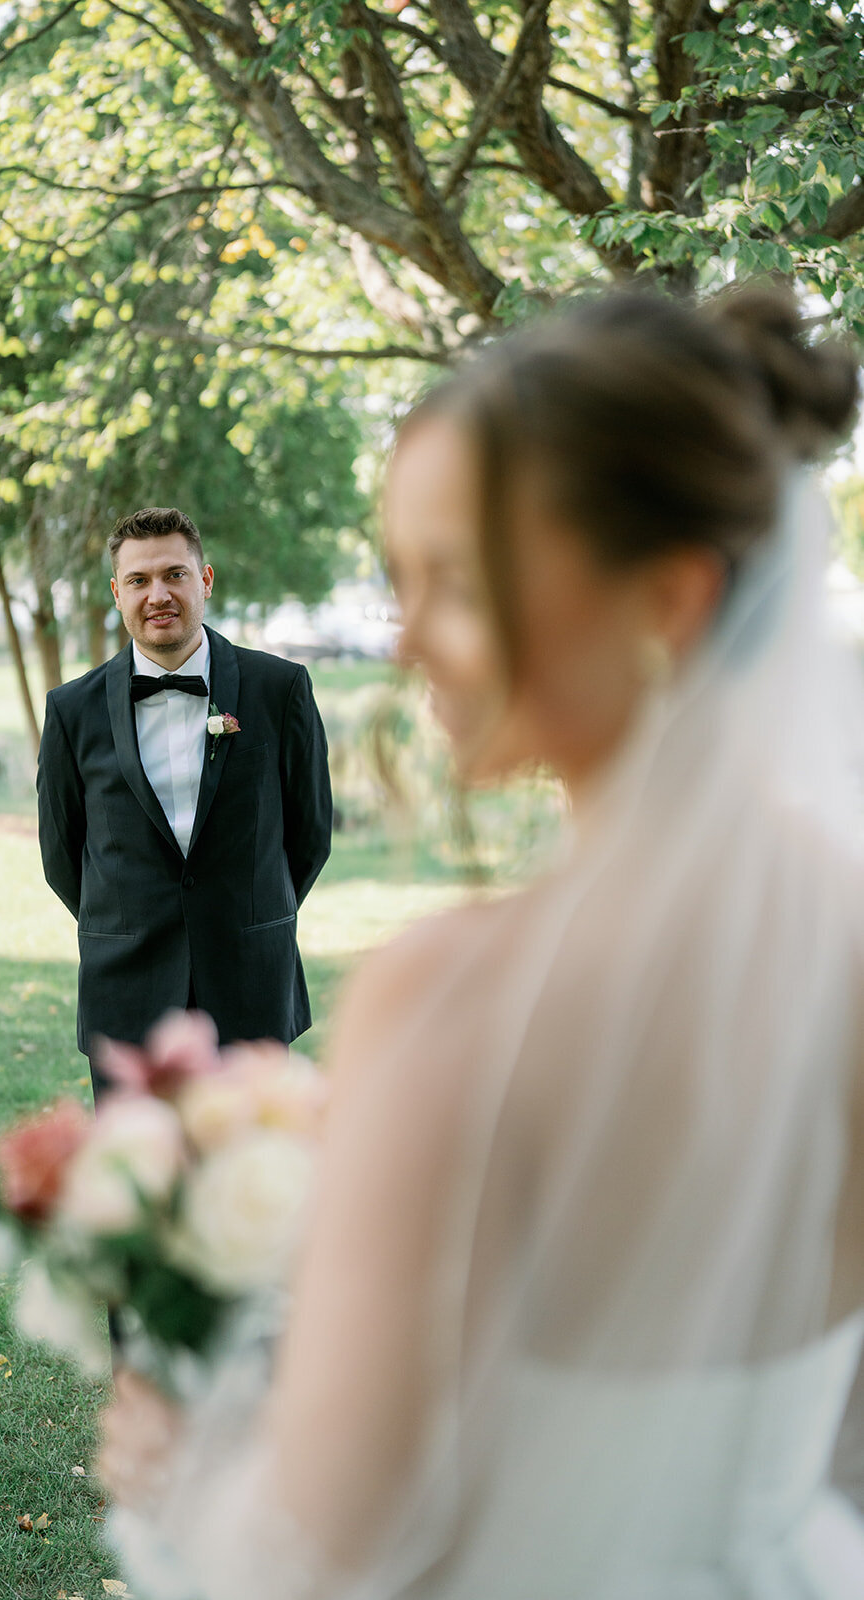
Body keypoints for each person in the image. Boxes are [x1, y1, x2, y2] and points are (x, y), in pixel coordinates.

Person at [96, 288, 864, 1599]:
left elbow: (332, 1538)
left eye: (455, 578)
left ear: (666, 598)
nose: (402, 641)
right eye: (401, 579)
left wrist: (178, 1458)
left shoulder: (455, 1000)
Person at [37, 506, 333, 1090]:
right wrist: (139, 918)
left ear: (206, 580)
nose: (159, 595)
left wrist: (245, 913)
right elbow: (61, 856)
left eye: (175, 574)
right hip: (127, 998)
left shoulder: (281, 689)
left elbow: (310, 834)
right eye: (140, 581)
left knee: (250, 1177)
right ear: (116, 592)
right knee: (139, 1179)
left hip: (250, 990)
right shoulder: (71, 712)